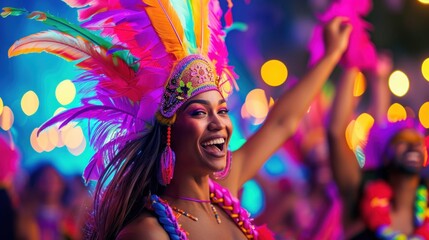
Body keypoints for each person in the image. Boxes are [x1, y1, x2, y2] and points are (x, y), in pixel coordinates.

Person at [4, 1, 352, 239]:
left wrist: (332, 55)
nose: (219, 123)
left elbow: (282, 123)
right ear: (170, 129)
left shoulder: (225, 196)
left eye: (222, 110)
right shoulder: (149, 232)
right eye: (200, 113)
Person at [327, 52, 429, 239]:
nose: (413, 146)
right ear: (385, 153)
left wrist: (379, 81)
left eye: (418, 143)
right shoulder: (359, 195)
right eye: (403, 141)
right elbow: (335, 134)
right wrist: (352, 64)